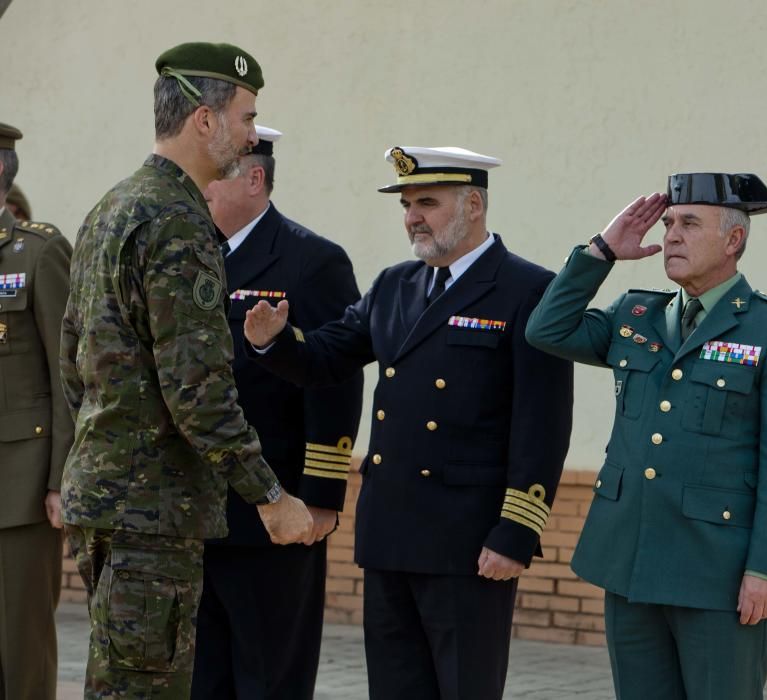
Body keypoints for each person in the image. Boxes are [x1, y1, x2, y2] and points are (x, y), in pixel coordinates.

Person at [243, 146, 574, 700]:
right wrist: (274, 341)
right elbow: (327, 358)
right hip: (391, 531)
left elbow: (542, 422)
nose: (412, 216)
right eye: (406, 205)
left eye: (427, 202)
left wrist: (517, 531)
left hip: (469, 540)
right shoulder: (397, 284)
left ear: (473, 203)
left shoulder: (527, 289)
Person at [59, 43, 314, 699]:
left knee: (118, 683)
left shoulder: (113, 206)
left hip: (106, 495)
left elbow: (74, 360)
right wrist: (271, 497)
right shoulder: (178, 222)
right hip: (154, 509)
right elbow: (198, 392)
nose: (253, 134)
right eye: (247, 116)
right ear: (205, 119)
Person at [525, 174, 767, 700]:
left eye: (689, 223)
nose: (673, 235)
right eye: (668, 224)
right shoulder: (637, 314)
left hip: (717, 574)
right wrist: (601, 252)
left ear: (734, 241)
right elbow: (546, 330)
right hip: (632, 562)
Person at [192, 125, 364, 699]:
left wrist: (319, 498)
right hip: (191, 509)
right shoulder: (190, 252)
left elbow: (333, 381)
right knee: (201, 678)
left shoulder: (311, 260)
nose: (200, 188)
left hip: (272, 509)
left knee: (269, 679)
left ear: (255, 177)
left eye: (212, 176)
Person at [0, 121, 73, 700]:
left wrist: (59, 482)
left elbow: (68, 375)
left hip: (17, 490)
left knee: (19, 650)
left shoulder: (38, 252)